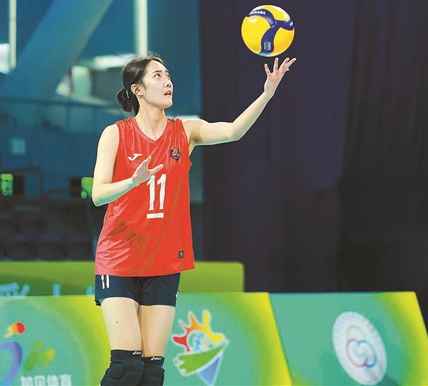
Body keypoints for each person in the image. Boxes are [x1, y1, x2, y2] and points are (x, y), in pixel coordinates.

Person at [91, 53, 296, 386]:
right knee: (126, 369)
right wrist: (133, 181)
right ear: (138, 90)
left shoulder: (185, 131)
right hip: (120, 257)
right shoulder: (115, 134)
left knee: (151, 373)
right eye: (157, 76)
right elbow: (98, 194)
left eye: (168, 74)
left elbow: (232, 131)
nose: (167, 81)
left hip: (163, 259)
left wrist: (267, 94)